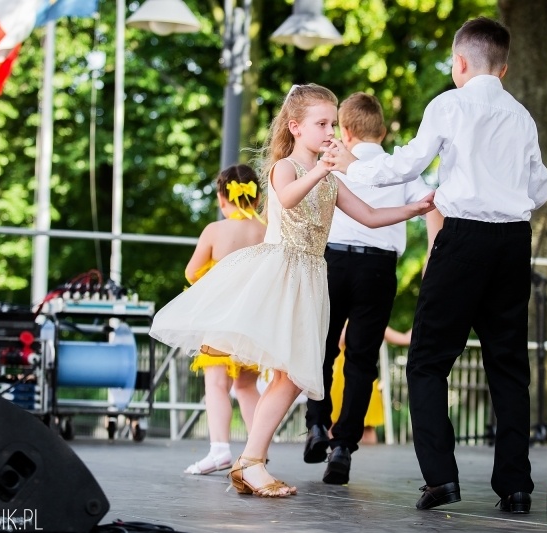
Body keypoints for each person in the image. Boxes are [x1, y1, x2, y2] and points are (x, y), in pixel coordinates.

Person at [150, 83, 435, 498]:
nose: (329, 132)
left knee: (292, 377)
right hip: (282, 272)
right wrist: (324, 168)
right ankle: (251, 461)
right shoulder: (286, 167)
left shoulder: (331, 180)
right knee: (291, 375)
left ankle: (251, 461)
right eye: (321, 124)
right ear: (296, 127)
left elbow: (371, 215)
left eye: (332, 124)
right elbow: (286, 196)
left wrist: (413, 209)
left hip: (311, 277)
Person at [322, 17, 547, 513]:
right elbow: (541, 188)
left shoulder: (449, 104)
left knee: (429, 361)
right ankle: (515, 487)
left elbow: (408, 164)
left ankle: (441, 479)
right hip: (513, 241)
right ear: (505, 68)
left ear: (460, 63)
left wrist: (352, 165)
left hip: (464, 238)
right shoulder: (522, 116)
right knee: (508, 365)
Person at [303, 92, 443, 486]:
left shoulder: (330, 162)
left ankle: (316, 424)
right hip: (378, 267)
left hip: (332, 262)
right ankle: (343, 446)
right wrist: (433, 258)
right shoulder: (400, 168)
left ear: (344, 131)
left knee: (322, 349)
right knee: (362, 359)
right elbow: (433, 208)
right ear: (381, 131)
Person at [182, 164, 266, 476]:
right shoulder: (266, 229)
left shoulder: (215, 231)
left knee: (217, 383)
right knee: (246, 385)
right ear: (257, 199)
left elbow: (192, 273)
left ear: (222, 198)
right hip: (255, 321)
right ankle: (258, 451)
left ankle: (219, 450)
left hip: (222, 320)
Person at [328, 325, 414, 447]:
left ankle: (341, 458)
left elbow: (405, 339)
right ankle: (335, 457)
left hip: (358, 375)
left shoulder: (371, 319)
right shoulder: (350, 319)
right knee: (336, 424)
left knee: (366, 426)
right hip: (343, 377)